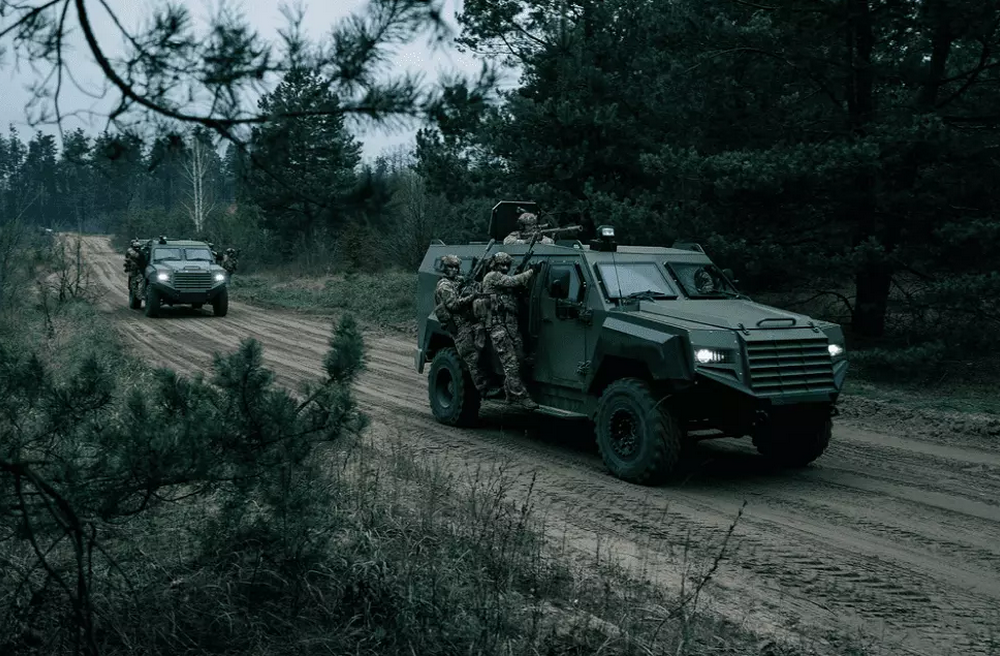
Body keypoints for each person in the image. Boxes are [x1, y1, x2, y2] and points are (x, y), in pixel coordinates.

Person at [475, 251, 540, 410]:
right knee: (510, 362)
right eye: (501, 265)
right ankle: (519, 396)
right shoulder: (492, 277)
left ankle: (510, 391)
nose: (504, 267)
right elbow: (512, 281)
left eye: (506, 265)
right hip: (498, 327)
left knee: (519, 359)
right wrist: (531, 272)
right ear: (494, 265)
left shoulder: (502, 281)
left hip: (510, 326)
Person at [434, 254, 492, 396]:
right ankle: (483, 388)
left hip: (466, 321)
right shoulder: (444, 285)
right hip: (458, 326)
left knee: (481, 348)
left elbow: (471, 283)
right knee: (471, 356)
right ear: (445, 269)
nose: (454, 270)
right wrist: (471, 297)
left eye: (456, 267)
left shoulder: (458, 280)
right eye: (450, 267)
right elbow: (453, 305)